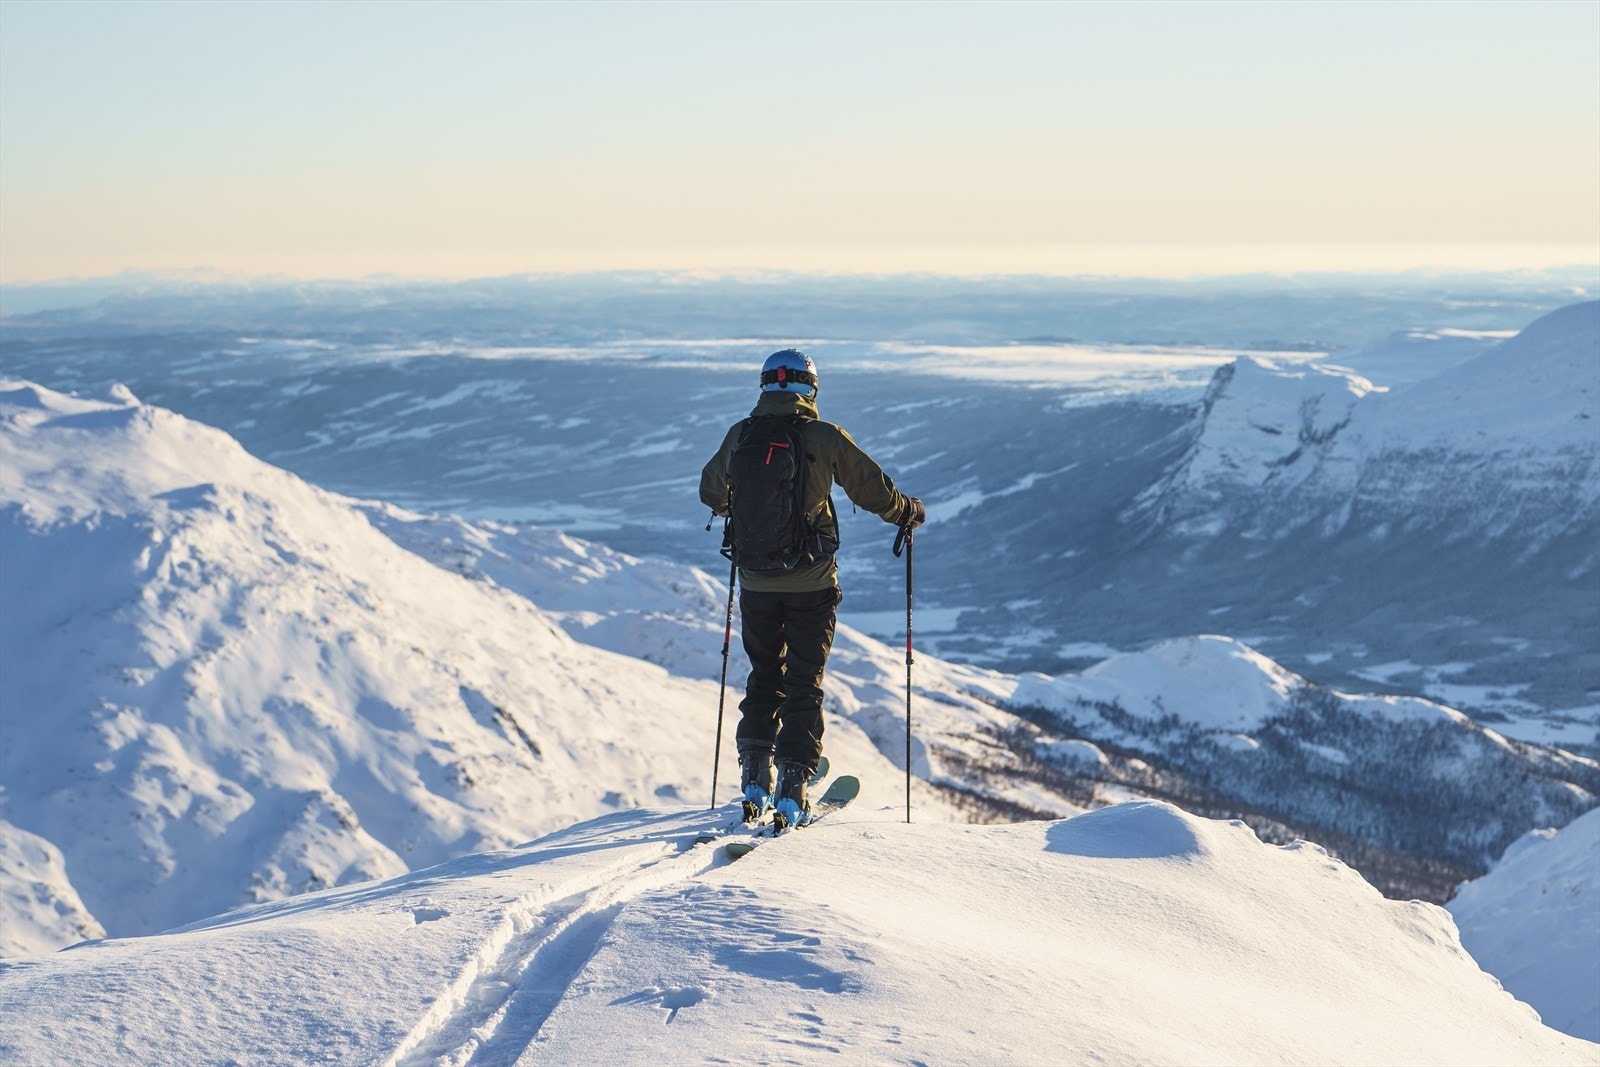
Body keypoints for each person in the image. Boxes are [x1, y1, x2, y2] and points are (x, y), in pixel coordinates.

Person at [699, 348, 925, 828]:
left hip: (756, 582)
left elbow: (711, 491)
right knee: (805, 682)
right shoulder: (822, 436)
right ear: (811, 388)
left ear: (765, 387)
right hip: (812, 584)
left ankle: (755, 774)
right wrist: (908, 511)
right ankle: (793, 783)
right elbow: (872, 489)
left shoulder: (741, 435)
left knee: (764, 675)